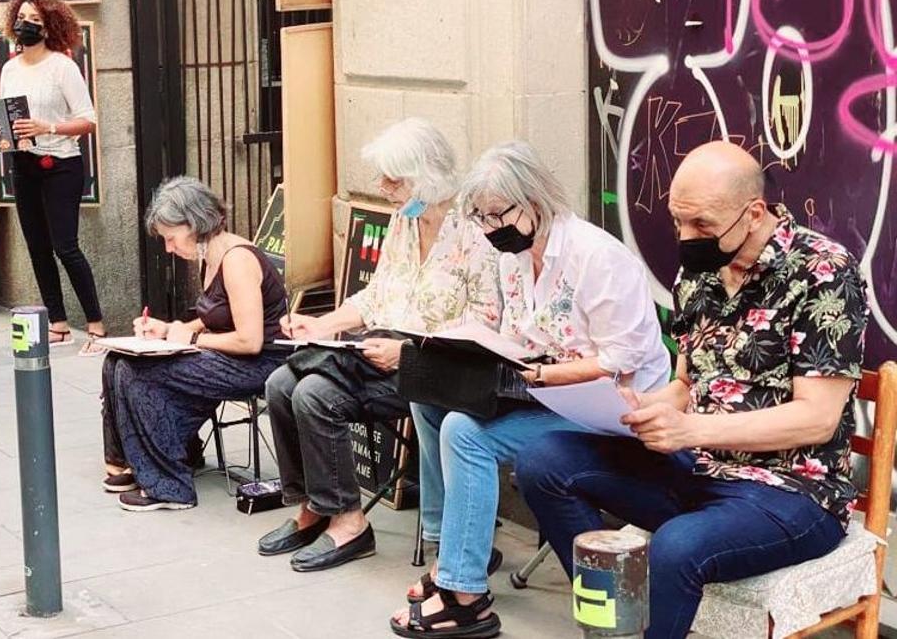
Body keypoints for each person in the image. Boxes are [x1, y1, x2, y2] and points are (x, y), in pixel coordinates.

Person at [515, 141, 870, 639]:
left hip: (794, 492)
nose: (686, 237)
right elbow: (688, 382)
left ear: (754, 213)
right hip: (700, 468)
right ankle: (617, 623)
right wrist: (639, 409)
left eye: (701, 225)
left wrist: (689, 428)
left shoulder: (824, 272)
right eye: (677, 220)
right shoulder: (698, 272)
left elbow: (817, 418)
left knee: (677, 545)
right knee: (543, 461)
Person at [389, 142, 672, 637]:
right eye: (480, 218)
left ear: (536, 201)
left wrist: (544, 374)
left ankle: (464, 591)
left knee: (464, 432)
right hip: (545, 394)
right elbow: (519, 339)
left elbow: (620, 362)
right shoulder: (514, 257)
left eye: (499, 214)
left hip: (610, 408)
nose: (491, 227)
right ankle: (457, 558)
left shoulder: (597, 258)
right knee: (433, 402)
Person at [256, 118, 502, 573]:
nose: (383, 187)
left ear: (425, 176)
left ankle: (348, 521)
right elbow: (377, 296)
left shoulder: (475, 233)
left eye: (394, 178)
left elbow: (486, 322)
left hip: (436, 365)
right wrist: (323, 323)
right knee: (279, 384)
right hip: (380, 351)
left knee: (313, 395)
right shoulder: (404, 223)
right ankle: (314, 505)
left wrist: (410, 353)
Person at [100, 176, 288, 511]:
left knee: (138, 372)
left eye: (171, 238)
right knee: (116, 361)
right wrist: (172, 329)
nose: (169, 248)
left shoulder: (237, 259)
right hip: (231, 356)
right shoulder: (209, 255)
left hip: (258, 363)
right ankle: (143, 461)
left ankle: (169, 485)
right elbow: (217, 315)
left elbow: (250, 340)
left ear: (194, 223)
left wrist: (192, 338)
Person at [0, 0, 105, 356]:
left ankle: (96, 325)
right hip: (23, 163)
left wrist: (48, 126)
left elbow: (88, 120)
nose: (26, 24)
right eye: (21, 17)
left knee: (65, 246)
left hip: (60, 164)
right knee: (37, 246)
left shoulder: (62, 66)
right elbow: (10, 116)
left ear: (49, 24)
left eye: (34, 19)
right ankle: (57, 323)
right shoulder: (9, 69)